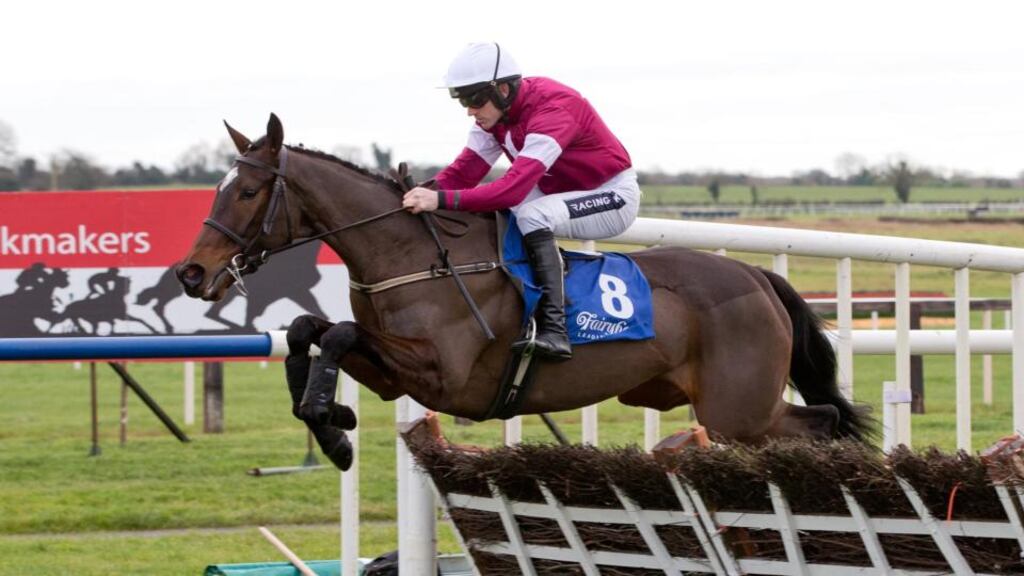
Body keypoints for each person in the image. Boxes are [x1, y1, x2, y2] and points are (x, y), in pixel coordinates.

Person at [402, 42, 641, 361]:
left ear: (503, 89)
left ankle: (555, 330)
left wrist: (439, 199)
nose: (471, 110)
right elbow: (464, 173)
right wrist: (413, 196)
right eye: (463, 101)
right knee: (507, 210)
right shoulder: (494, 117)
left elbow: (511, 189)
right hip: (559, 190)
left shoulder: (554, 108)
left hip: (613, 195)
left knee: (531, 214)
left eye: (475, 99)